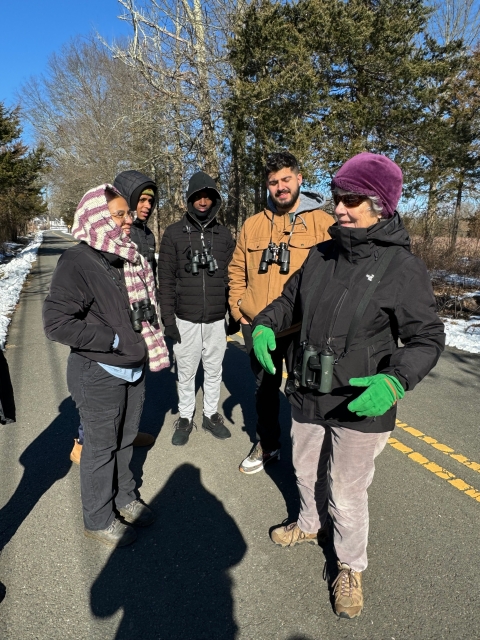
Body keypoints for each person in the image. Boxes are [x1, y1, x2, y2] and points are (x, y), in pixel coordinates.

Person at [252, 152, 445, 618]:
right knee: (303, 470)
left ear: (380, 204)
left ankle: (350, 567)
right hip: (307, 391)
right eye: (337, 197)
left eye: (351, 200)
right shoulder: (321, 253)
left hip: (362, 402)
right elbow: (288, 302)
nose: (338, 208)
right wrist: (264, 323)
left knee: (346, 490)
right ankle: (308, 522)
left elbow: (427, 337)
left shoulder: (403, 268)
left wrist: (396, 380)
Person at [43, 184, 169, 547]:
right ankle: (98, 519)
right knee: (100, 446)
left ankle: (124, 497)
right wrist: (112, 340)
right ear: (97, 218)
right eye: (119, 214)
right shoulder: (78, 261)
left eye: (127, 213)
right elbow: (56, 323)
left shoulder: (127, 255)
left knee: (125, 439)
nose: (128, 220)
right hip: (99, 371)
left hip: (132, 367)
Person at [228, 151, 333, 474]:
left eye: (286, 179)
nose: (280, 187)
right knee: (264, 392)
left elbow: (337, 275)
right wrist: (239, 309)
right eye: (273, 182)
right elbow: (236, 270)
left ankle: (311, 457)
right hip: (259, 327)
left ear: (300, 179)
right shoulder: (253, 224)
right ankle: (268, 443)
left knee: (305, 393)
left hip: (302, 328)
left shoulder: (323, 224)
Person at [70, 170, 159, 464]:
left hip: (137, 319)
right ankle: (84, 440)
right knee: (103, 398)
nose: (146, 205)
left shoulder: (145, 234)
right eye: (141, 199)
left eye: (151, 200)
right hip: (111, 324)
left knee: (133, 390)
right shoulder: (110, 229)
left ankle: (128, 435)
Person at [158, 171, 235, 445]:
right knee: (186, 370)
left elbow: (234, 277)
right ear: (190, 200)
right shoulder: (173, 234)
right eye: (198, 196)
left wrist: (233, 314)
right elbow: (165, 280)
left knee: (214, 370)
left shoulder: (224, 236)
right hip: (185, 318)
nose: (203, 201)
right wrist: (168, 319)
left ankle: (211, 414)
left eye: (208, 197)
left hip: (216, 318)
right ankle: (186, 416)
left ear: (215, 200)